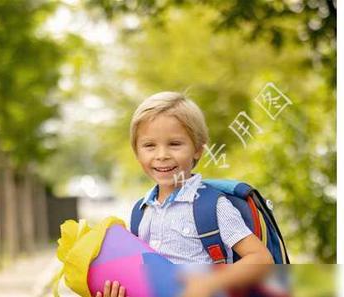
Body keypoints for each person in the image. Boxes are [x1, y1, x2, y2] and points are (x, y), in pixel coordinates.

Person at [97, 91, 273, 297]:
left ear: (198, 149)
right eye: (149, 145)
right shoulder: (140, 212)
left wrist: (210, 283)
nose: (162, 155)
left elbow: (261, 258)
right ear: (137, 153)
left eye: (174, 144)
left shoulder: (211, 206)